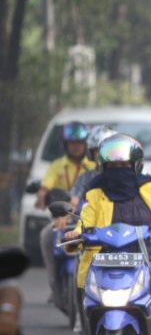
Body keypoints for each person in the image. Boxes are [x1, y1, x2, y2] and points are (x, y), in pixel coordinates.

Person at [64, 134, 151, 335]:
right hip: (105, 257)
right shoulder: (95, 194)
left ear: (135, 165)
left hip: (150, 256)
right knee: (90, 294)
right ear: (104, 167)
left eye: (124, 164)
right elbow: (85, 220)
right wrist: (75, 234)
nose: (119, 169)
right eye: (113, 165)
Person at [36, 121, 95, 304]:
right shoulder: (56, 165)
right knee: (46, 235)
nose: (76, 147)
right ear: (66, 144)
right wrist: (42, 196)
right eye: (72, 143)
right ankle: (55, 286)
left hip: (89, 217)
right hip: (63, 218)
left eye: (80, 143)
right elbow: (45, 187)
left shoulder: (92, 167)